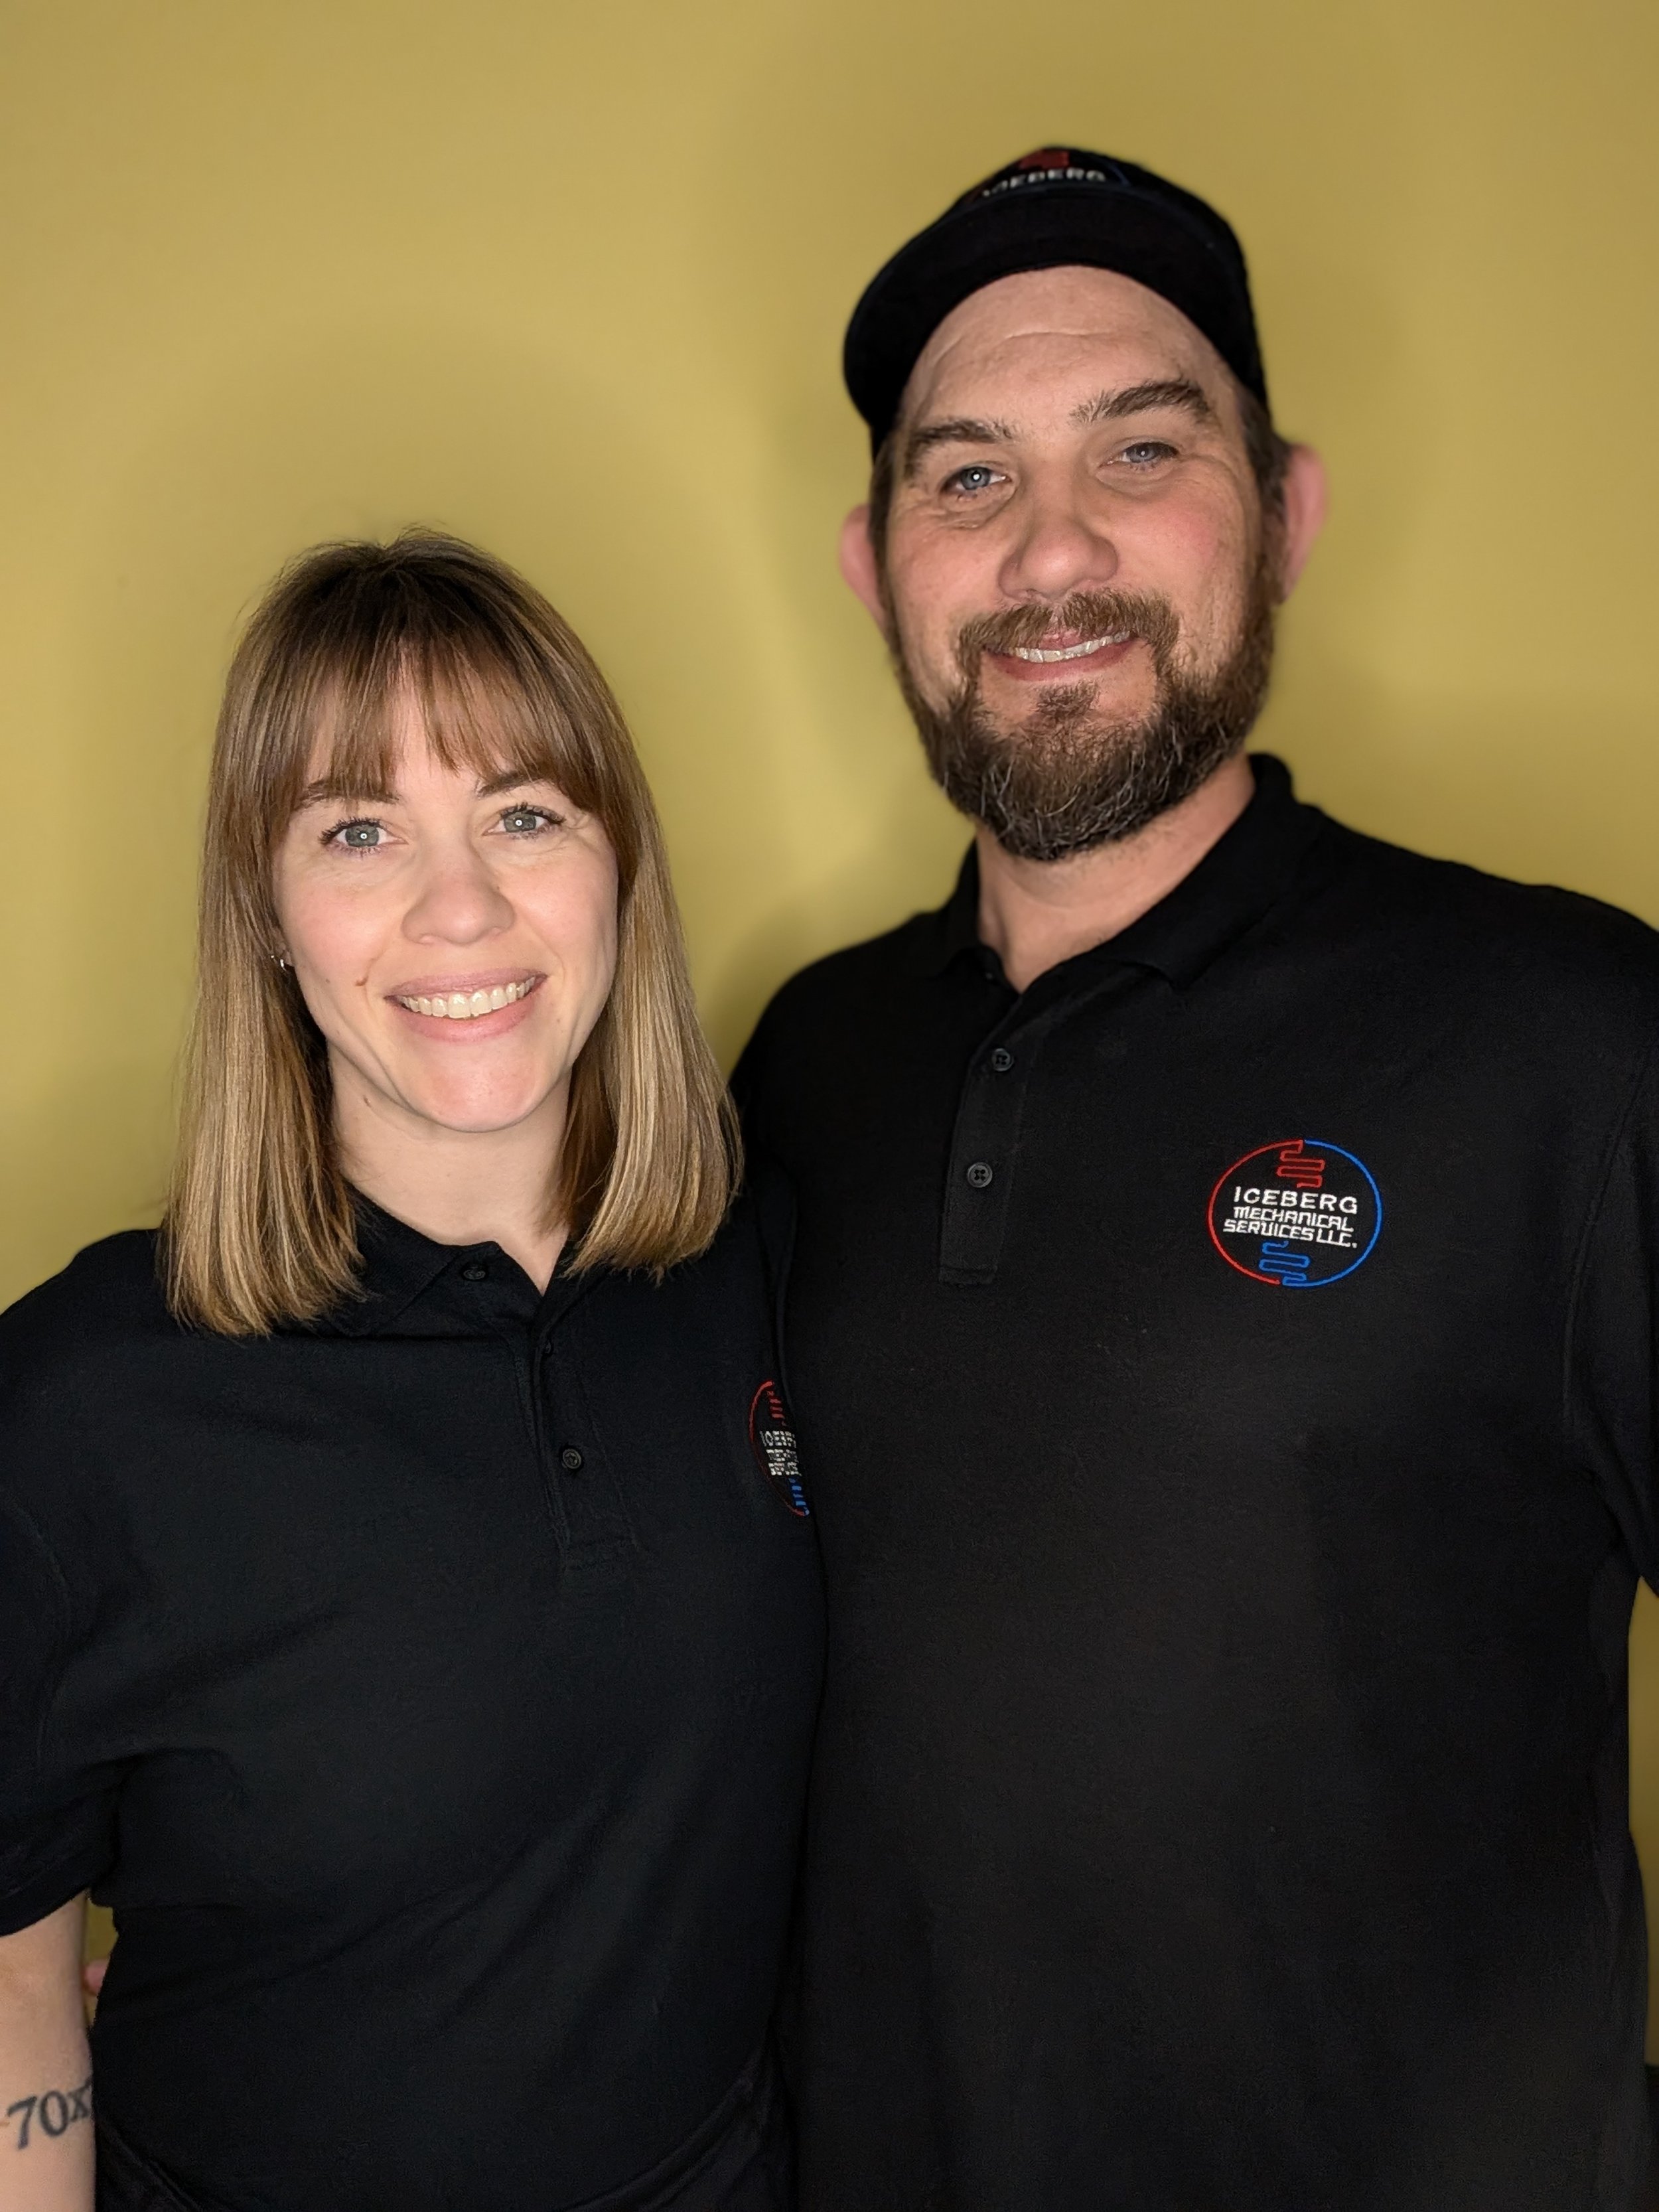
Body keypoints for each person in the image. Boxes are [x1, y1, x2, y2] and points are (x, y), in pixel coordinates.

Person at [733, 149, 1659, 2210]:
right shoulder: (801, 1060)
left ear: (1285, 512)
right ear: (878, 569)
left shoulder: (1569, 1035)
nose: (1050, 550)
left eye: (1138, 448)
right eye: (964, 477)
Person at [0, 532, 823, 2212]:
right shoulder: (87, 1402)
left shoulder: (764, 1274)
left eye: (525, 814)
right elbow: (13, 1986)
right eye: (358, 830)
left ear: (616, 870)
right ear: (269, 913)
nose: (462, 909)